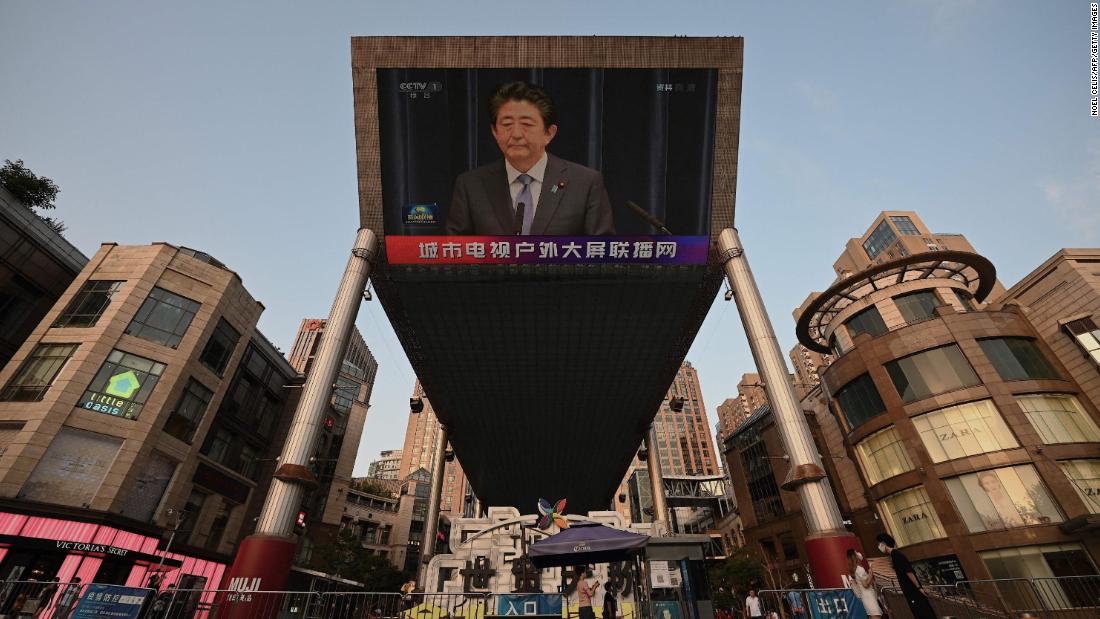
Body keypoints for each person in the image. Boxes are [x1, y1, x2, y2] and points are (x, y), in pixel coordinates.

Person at [446, 81, 616, 236]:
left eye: (526, 124)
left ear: (549, 133)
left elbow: (602, 252)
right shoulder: (470, 185)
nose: (516, 134)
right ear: (495, 132)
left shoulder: (585, 183)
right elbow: (454, 252)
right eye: (506, 125)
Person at [876, 533, 936, 619]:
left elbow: (909, 572)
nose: (878, 547)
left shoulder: (896, 554)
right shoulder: (893, 555)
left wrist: (919, 588)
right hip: (910, 591)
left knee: (923, 614)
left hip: (913, 591)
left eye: (879, 544)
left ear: (884, 543)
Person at [846, 549, 881, 619]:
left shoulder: (857, 569)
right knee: (876, 616)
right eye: (856, 552)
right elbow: (865, 585)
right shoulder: (859, 569)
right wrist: (871, 572)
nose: (859, 553)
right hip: (869, 597)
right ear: (854, 556)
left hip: (867, 597)